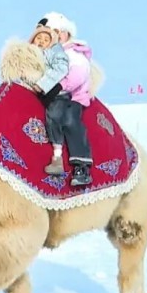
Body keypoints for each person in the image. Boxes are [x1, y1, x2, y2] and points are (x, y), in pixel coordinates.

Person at [36, 11, 96, 185]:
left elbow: (79, 74)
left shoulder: (74, 53)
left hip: (73, 97)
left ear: (68, 33)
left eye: (61, 31)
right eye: (53, 31)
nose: (58, 35)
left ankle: (82, 165)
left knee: (70, 120)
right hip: (53, 96)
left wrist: (59, 86)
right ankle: (55, 157)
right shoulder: (49, 54)